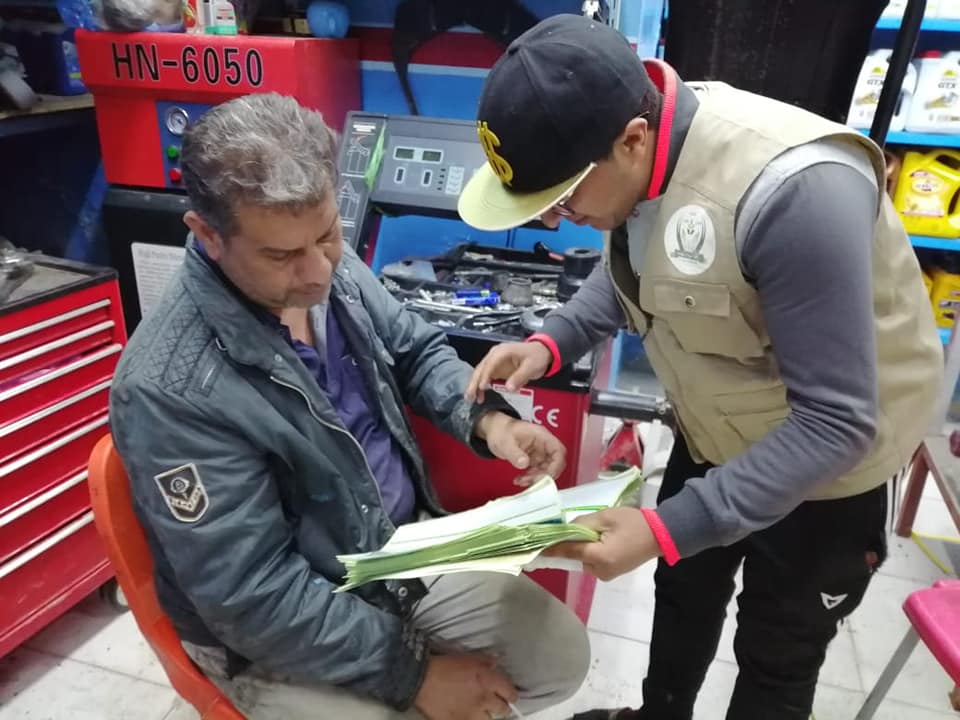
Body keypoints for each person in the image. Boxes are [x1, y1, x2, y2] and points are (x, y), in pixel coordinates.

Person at [457, 14, 943, 720]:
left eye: (563, 199)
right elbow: (640, 262)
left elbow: (836, 423)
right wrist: (553, 342)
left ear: (631, 140)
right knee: (683, 594)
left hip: (828, 469)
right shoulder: (643, 148)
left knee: (777, 648)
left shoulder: (796, 194)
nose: (557, 220)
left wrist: (665, 528)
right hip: (718, 424)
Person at [109, 92, 590, 720]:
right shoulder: (167, 390)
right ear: (209, 236)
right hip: (273, 631)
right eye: (282, 255)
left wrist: (488, 421)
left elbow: (415, 351)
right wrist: (415, 674)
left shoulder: (329, 267)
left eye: (328, 234)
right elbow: (252, 597)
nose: (317, 273)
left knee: (558, 657)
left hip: (390, 550)